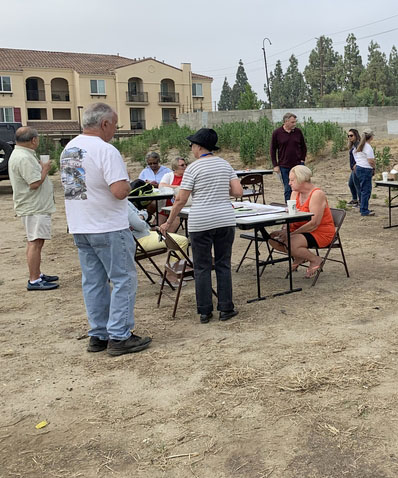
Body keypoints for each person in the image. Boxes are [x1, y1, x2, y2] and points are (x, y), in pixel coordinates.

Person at [60, 103, 151, 356]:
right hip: (108, 226)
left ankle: (98, 334)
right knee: (123, 279)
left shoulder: (70, 149)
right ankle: (120, 336)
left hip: (81, 224)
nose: (115, 130)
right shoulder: (106, 150)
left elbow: (77, 190)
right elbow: (119, 191)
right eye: (115, 125)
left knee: (94, 281)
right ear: (104, 124)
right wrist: (131, 184)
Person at [160, 128, 242, 324]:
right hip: (224, 218)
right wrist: (220, 192)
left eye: (192, 146)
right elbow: (238, 191)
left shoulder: (193, 169)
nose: (191, 150)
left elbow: (181, 199)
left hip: (201, 221)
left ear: (198, 146)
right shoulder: (225, 164)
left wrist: (169, 221)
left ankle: (205, 311)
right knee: (223, 264)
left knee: (202, 267)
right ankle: (226, 307)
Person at [8, 126, 59, 291]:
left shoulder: (23, 154)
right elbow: (35, 183)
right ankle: (34, 279)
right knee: (35, 242)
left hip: (34, 205)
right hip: (33, 206)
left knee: (37, 240)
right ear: (34, 140)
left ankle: (37, 273)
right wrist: (44, 169)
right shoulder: (24, 157)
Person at [268, 165, 336, 277]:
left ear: (301, 180)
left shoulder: (317, 194)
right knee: (272, 238)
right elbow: (291, 214)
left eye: (292, 180)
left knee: (290, 241)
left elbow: (314, 223)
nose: (289, 183)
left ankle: (315, 259)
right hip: (299, 229)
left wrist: (292, 234)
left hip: (318, 232)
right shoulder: (295, 193)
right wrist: (286, 229)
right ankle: (299, 256)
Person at [270, 112, 307, 202]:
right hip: (284, 166)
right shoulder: (277, 133)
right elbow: (273, 149)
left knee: (301, 186)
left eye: (295, 122)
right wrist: (275, 165)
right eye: (292, 122)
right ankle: (289, 206)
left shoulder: (298, 132)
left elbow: (303, 147)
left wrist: (302, 159)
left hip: (298, 165)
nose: (294, 124)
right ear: (286, 122)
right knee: (288, 188)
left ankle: (301, 204)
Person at [354, 129, 376, 217]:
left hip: (359, 168)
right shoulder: (368, 147)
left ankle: (363, 207)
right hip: (365, 169)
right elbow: (370, 160)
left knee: (362, 189)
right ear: (371, 137)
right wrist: (374, 168)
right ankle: (364, 210)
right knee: (366, 190)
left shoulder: (360, 145)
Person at [346, 128, 361, 207]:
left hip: (357, 168)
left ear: (356, 135)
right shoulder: (353, 145)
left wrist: (357, 164)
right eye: (348, 136)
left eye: (351, 135)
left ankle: (360, 202)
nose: (349, 137)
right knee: (351, 184)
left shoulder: (358, 144)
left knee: (357, 185)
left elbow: (361, 156)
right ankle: (355, 199)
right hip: (353, 169)